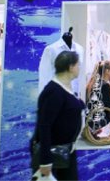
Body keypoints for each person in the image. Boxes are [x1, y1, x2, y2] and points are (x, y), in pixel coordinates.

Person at [33, 50, 85, 180]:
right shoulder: (53, 91)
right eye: (78, 65)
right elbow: (44, 125)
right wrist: (45, 160)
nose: (79, 68)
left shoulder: (65, 87)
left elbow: (69, 107)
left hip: (66, 152)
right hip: (54, 156)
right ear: (71, 67)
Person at [86, 61, 110, 127]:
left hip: (91, 118)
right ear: (107, 71)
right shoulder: (104, 85)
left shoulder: (94, 83)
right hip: (100, 120)